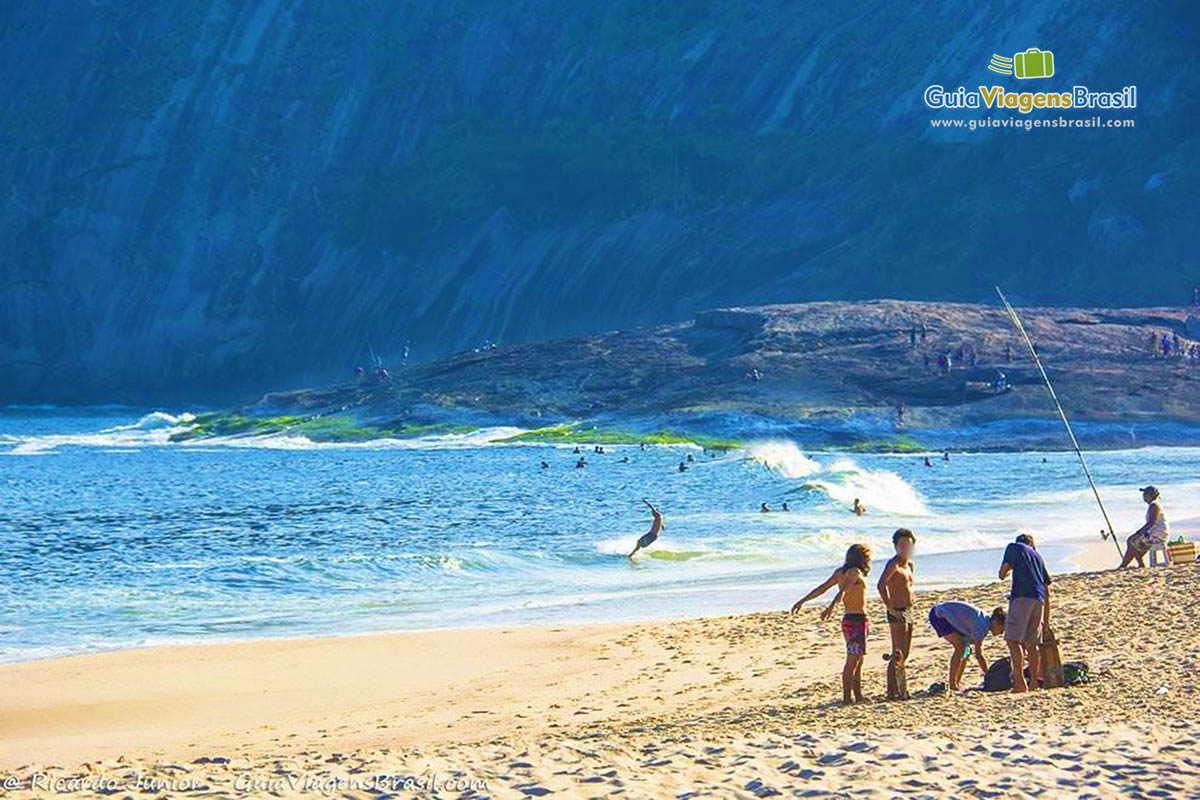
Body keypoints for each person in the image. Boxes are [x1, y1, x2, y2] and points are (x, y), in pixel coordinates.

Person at [791, 544, 873, 704]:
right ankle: (847, 698)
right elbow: (842, 592)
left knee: (858, 658)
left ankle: (858, 695)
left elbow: (822, 588)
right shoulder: (855, 572)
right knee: (853, 660)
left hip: (848, 620)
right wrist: (831, 607)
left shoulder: (840, 572)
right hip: (857, 620)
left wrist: (803, 600)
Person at [999, 534, 1052, 692]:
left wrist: (1007, 572)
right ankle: (1034, 682)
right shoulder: (1038, 556)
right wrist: (1046, 620)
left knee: (1013, 640)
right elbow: (1047, 590)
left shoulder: (1013, 547)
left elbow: (1002, 573)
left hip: (1021, 597)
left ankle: (1020, 682)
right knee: (1032, 643)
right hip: (1039, 600)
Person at [928, 602, 1007, 691]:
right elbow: (979, 655)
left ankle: (957, 682)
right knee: (960, 647)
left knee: (967, 651)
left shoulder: (985, 621)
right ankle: (952, 684)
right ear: (995, 623)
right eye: (1002, 629)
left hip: (949, 617)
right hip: (939, 616)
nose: (1002, 633)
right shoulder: (982, 627)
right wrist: (989, 674)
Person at [877, 529, 916, 679]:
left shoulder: (910, 565)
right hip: (897, 610)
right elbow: (881, 585)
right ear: (896, 546)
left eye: (908, 545)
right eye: (902, 545)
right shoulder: (893, 564)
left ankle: (901, 688)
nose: (905, 548)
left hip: (909, 609)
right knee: (897, 652)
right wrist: (889, 606)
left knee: (905, 652)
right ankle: (892, 690)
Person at [1120, 486, 1170, 568]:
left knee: (1131, 540)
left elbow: (1151, 522)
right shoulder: (1154, 505)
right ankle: (1123, 565)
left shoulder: (1154, 505)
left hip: (1158, 535)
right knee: (1133, 546)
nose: (1143, 496)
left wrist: (1138, 533)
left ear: (1149, 496)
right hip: (1157, 533)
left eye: (1145, 494)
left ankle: (1141, 564)